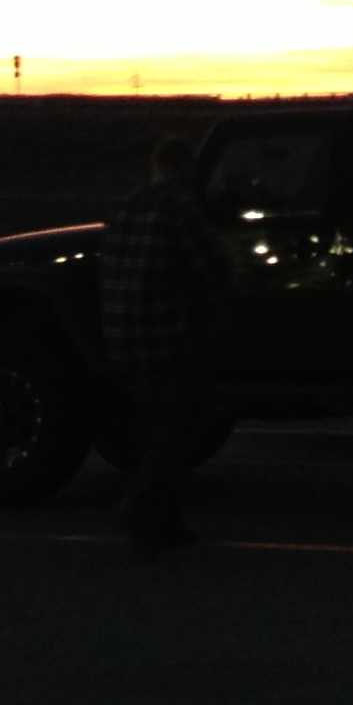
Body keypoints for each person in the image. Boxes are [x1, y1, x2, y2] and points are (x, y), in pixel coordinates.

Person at [98, 132, 227, 557]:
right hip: (167, 337)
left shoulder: (127, 205)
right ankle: (139, 504)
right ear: (187, 167)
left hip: (122, 335)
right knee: (180, 428)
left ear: (156, 165)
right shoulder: (181, 207)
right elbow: (211, 265)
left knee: (152, 427)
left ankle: (167, 524)